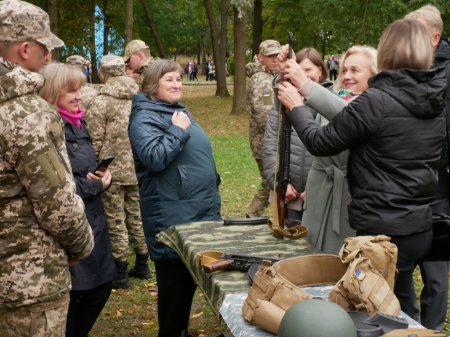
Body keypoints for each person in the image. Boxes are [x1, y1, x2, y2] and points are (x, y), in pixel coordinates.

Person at [278, 19, 447, 321]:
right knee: (402, 304)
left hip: (382, 232)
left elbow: (320, 141)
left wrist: (297, 107)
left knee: (375, 312)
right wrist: (306, 85)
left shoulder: (377, 101)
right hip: (417, 227)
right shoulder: (432, 99)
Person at [0, 1, 94, 336]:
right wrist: (81, 246)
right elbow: (57, 204)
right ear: (25, 49)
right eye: (45, 49)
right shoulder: (24, 112)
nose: (48, 58)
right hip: (27, 283)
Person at [128, 59, 221, 337]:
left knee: (188, 282)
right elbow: (154, 158)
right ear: (152, 85)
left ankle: (180, 331)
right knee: (173, 288)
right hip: (171, 215)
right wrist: (178, 130)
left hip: (196, 209)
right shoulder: (144, 117)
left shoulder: (176, 109)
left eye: (179, 79)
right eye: (169, 79)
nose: (177, 84)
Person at [40, 63, 116, 337]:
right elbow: (54, 187)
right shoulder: (47, 128)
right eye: (72, 90)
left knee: (101, 288)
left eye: (81, 89)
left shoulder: (77, 122)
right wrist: (94, 185)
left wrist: (99, 177)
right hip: (70, 229)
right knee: (76, 299)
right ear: (52, 93)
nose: (79, 96)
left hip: (94, 223)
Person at [299, 45, 377, 254]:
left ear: (374, 73)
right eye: (344, 70)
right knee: (310, 253)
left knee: (341, 259)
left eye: (355, 70)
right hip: (320, 187)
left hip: (349, 194)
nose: (347, 76)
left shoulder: (374, 108)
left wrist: (304, 84)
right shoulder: (333, 97)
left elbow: (348, 117)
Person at [86, 55, 151, 289]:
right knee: (135, 215)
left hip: (111, 170)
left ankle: (120, 273)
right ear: (123, 70)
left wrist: (93, 167)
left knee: (115, 220)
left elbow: (94, 139)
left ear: (102, 74)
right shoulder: (139, 96)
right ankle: (143, 263)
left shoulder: (101, 101)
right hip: (138, 166)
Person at [405, 4, 450, 331]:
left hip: (438, 183)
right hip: (403, 181)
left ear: (434, 37)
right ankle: (408, 327)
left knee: (435, 272)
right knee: (400, 267)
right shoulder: (404, 68)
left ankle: (431, 329)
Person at [263, 47, 330, 222]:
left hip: (321, 200)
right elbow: (270, 145)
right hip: (289, 199)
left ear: (321, 71)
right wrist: (279, 183)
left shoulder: (331, 102)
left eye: (308, 70)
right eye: (299, 70)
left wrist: (318, 188)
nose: (304, 75)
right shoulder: (282, 102)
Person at [246, 39, 281, 217]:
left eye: (277, 55)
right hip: (266, 143)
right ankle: (251, 217)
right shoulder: (262, 81)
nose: (275, 59)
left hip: (268, 141)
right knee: (271, 183)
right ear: (261, 57)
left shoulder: (271, 76)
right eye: (270, 56)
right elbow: (264, 114)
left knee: (271, 182)